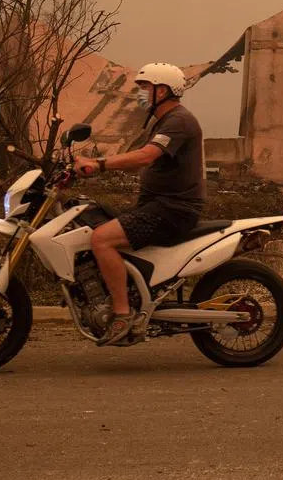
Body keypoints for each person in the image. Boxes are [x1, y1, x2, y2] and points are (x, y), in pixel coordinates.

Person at [74, 62, 204, 345]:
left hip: (172, 210)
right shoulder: (162, 122)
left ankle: (122, 314)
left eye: (145, 87)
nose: (141, 94)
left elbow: (146, 156)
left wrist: (99, 164)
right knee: (93, 220)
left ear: (164, 90)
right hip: (158, 206)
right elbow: (137, 162)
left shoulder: (179, 121)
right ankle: (127, 295)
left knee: (102, 240)